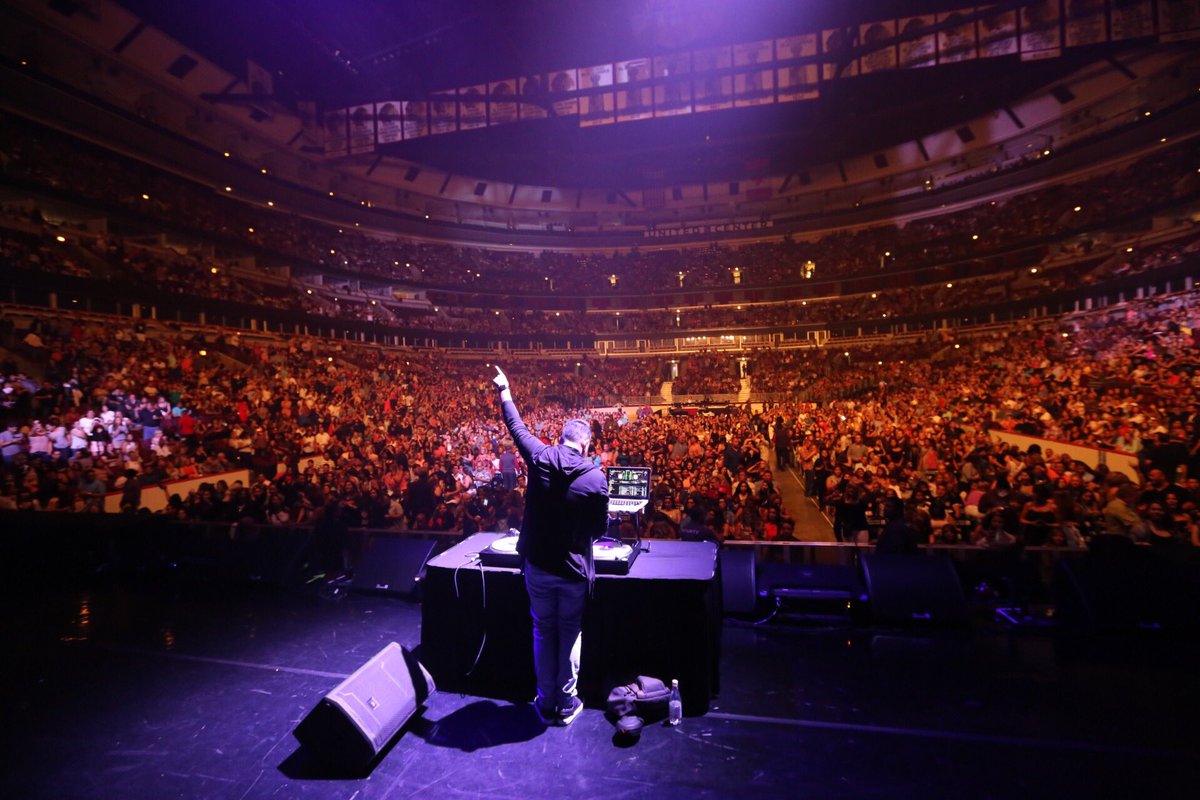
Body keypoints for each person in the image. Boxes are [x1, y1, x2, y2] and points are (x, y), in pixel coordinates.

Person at [492, 365, 608, 727]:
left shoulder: (540, 457)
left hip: (538, 566)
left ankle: (545, 702)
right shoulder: (595, 477)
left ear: (561, 437)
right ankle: (566, 702)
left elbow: (517, 428)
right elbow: (599, 528)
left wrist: (505, 391)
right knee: (569, 631)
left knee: (543, 630)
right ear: (586, 444)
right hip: (572, 570)